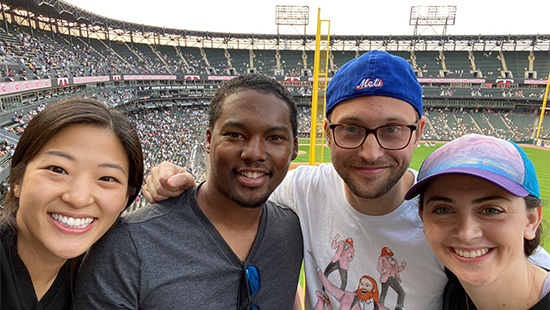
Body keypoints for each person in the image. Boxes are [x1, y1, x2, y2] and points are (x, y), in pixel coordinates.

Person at [142, 51, 550, 310]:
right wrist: (173, 178)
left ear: (419, 130)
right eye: (352, 129)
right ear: (327, 132)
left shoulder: (442, 220)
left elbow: (521, 266)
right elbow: (234, 187)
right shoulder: (302, 189)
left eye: (392, 129)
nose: (371, 153)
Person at [73, 73, 304, 309]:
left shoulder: (291, 230)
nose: (254, 153)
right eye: (235, 135)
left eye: (275, 137)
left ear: (293, 148)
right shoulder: (127, 246)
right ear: (208, 139)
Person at [0, 97, 144, 309]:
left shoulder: (101, 281)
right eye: (57, 170)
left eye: (107, 178)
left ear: (125, 200)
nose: (79, 198)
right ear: (17, 180)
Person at [405, 133, 550, 310]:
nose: (466, 234)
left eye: (491, 210)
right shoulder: (449, 290)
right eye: (443, 210)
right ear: (423, 218)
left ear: (531, 220)